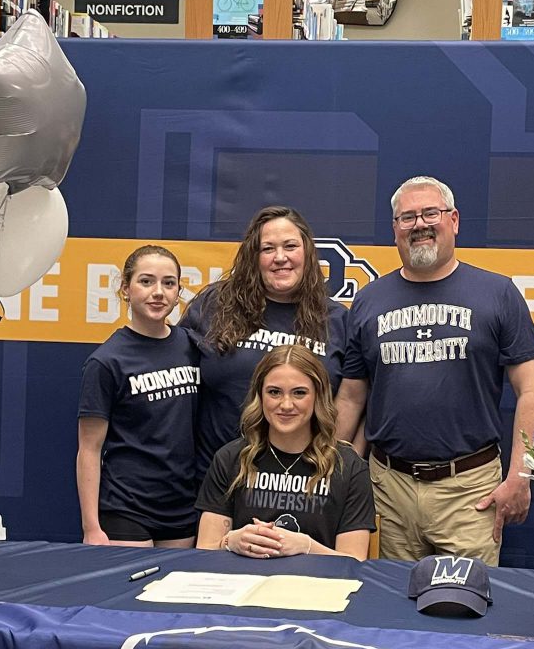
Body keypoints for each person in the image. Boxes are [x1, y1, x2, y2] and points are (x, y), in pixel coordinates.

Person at [335, 175, 534, 565]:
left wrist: (521, 474)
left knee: (466, 610)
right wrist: (332, 469)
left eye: (430, 213)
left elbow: (532, 390)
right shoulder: (367, 301)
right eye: (407, 217)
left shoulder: (498, 293)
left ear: (454, 220)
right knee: (388, 608)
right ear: (395, 229)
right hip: (387, 488)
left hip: (469, 490)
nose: (420, 224)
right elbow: (351, 395)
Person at [182, 205, 348, 481]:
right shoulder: (214, 305)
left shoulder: (337, 320)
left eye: (290, 246)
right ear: (253, 257)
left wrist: (333, 467)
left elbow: (352, 399)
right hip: (216, 480)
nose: (280, 258)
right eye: (268, 249)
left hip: (303, 483)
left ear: (307, 252)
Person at [196, 345, 374, 560]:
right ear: (259, 396)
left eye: (299, 393)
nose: (286, 404)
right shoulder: (230, 458)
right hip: (242, 585)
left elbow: (354, 562)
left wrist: (305, 545)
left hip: (319, 588)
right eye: (274, 392)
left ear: (318, 396)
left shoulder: (349, 466)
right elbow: (204, 552)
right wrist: (230, 542)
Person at [76, 244, 200, 548]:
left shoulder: (192, 346)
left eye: (168, 283)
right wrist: (91, 527)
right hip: (126, 507)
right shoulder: (106, 361)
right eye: (146, 281)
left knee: (172, 594)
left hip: (182, 505)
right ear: (125, 289)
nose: (158, 292)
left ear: (178, 292)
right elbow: (89, 449)